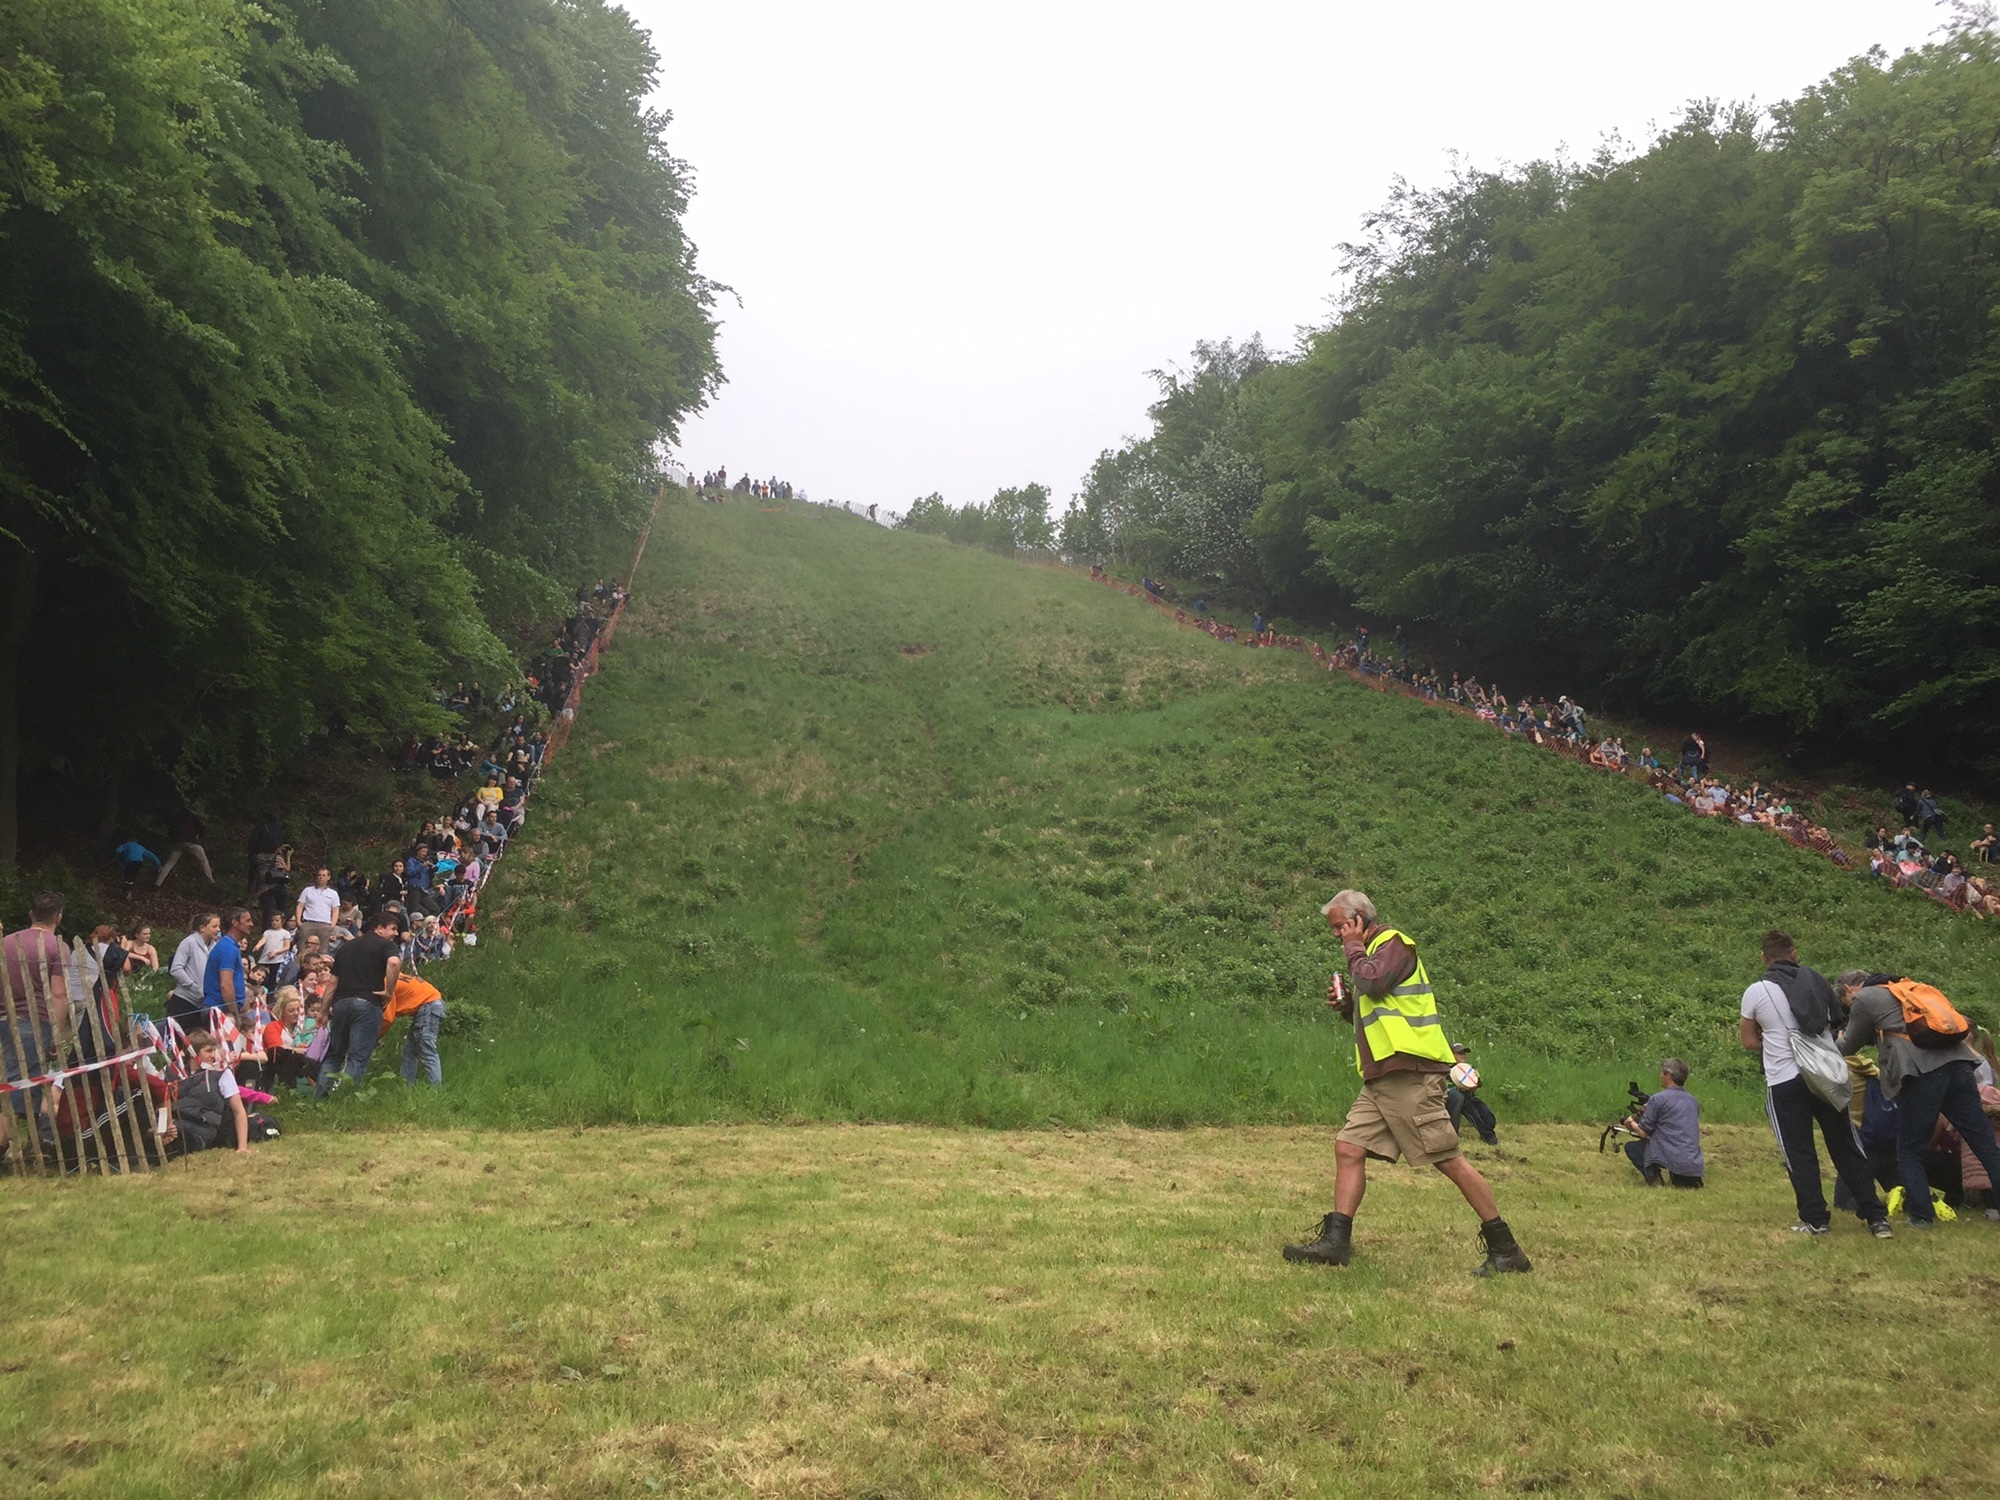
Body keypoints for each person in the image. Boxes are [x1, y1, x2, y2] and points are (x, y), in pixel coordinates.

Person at [1284, 889, 1531, 1275]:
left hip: (1412, 1075)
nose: (1336, 935)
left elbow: (1374, 982)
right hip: (1383, 1076)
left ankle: (1506, 1249)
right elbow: (1377, 1004)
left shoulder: (1394, 944)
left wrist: (1352, 948)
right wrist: (1347, 1006)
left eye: (1340, 927)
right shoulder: (1369, 956)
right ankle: (1336, 1243)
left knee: (1448, 1160)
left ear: (1360, 919)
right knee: (1348, 1148)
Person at [1740, 932, 1890, 1237]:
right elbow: (1837, 1023)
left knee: (1799, 1151)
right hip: (1826, 1076)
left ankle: (1816, 1220)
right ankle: (1876, 1218)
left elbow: (1748, 1041)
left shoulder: (1756, 991)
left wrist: (1772, 1041)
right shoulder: (1818, 981)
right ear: (1795, 954)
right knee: (1846, 1144)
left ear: (1764, 958)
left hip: (1784, 1079)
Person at [1835, 971, 2000, 1231]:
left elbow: (1849, 1045)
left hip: (1923, 1073)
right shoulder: (1910, 990)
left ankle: (1922, 1216)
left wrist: (1829, 1046)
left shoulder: (1865, 998)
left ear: (1850, 989)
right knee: (1983, 1141)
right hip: (1959, 1064)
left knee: (1909, 1149)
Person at [1, 892, 72, 1165]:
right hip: (34, 1022)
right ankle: (12, 1146)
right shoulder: (56, 947)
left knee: (30, 1082)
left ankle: (39, 1143)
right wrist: (56, 1033)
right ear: (59, 917)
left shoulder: (6, 943)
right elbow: (58, 995)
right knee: (17, 1087)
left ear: (31, 914)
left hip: (4, 1019)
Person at [314, 911, 402, 1097]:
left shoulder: (346, 948)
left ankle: (319, 1099)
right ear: (379, 928)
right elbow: (394, 964)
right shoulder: (387, 945)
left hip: (341, 1004)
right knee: (357, 1057)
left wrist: (323, 1010)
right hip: (367, 1004)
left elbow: (332, 983)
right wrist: (389, 991)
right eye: (393, 929)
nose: (395, 933)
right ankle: (343, 1100)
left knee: (334, 1055)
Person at [1621, 1058, 1705, 1187]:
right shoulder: (1693, 1101)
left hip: (1673, 1155)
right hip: (1693, 1161)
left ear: (1669, 1076)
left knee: (1632, 1147)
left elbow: (1643, 1132)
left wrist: (1630, 1122)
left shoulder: (1658, 1099)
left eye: (1662, 1073)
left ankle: (1655, 1181)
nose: (1660, 1076)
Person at [175, 1030, 251, 1154]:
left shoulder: (221, 1073)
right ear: (192, 1052)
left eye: (214, 1050)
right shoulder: (173, 1071)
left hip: (203, 1128)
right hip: (176, 1122)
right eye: (208, 1051)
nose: (213, 1055)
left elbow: (239, 1110)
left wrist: (242, 1147)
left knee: (181, 1137)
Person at [380, 971, 447, 1086]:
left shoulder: (386, 983)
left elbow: (387, 1019)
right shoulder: (393, 974)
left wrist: (375, 1037)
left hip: (429, 1005)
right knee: (410, 1051)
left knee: (427, 1050)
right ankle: (405, 1087)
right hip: (431, 1003)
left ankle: (436, 1090)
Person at [203, 908, 256, 1028]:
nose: (251, 924)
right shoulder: (227, 948)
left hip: (223, 1009)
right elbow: (226, 984)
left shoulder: (231, 946)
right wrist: (234, 1013)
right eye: (247, 920)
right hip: (220, 1011)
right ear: (235, 923)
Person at [167, 914, 219, 1030]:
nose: (218, 930)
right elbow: (176, 969)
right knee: (177, 1039)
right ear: (202, 928)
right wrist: (193, 987)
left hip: (205, 1003)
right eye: (214, 926)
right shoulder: (188, 942)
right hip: (184, 1000)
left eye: (218, 926)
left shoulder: (216, 947)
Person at [1444, 1042, 1499, 1145]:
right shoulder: (1445, 1069)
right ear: (1451, 1054)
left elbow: (1478, 1083)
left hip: (1471, 1097)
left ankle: (1488, 1132)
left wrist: (1475, 1084)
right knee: (1472, 1112)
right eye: (1459, 1053)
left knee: (1489, 1118)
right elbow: (1445, 1087)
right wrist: (1460, 1088)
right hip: (1457, 1099)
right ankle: (1489, 1137)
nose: (1463, 1055)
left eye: (1464, 1053)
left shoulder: (1469, 1068)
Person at [155, 808, 214, 887]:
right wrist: (198, 837)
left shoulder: (176, 817)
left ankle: (157, 884)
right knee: (204, 861)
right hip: (190, 842)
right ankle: (211, 881)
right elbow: (201, 827)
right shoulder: (193, 816)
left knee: (169, 863)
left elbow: (170, 830)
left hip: (177, 843)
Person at [295, 866, 341, 951]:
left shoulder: (333, 894)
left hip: (325, 925)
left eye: (324, 875)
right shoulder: (307, 890)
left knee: (322, 950)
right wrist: (298, 922)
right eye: (319, 875)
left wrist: (332, 925)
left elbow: (335, 910)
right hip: (308, 923)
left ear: (328, 877)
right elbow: (300, 906)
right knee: (302, 949)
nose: (321, 877)